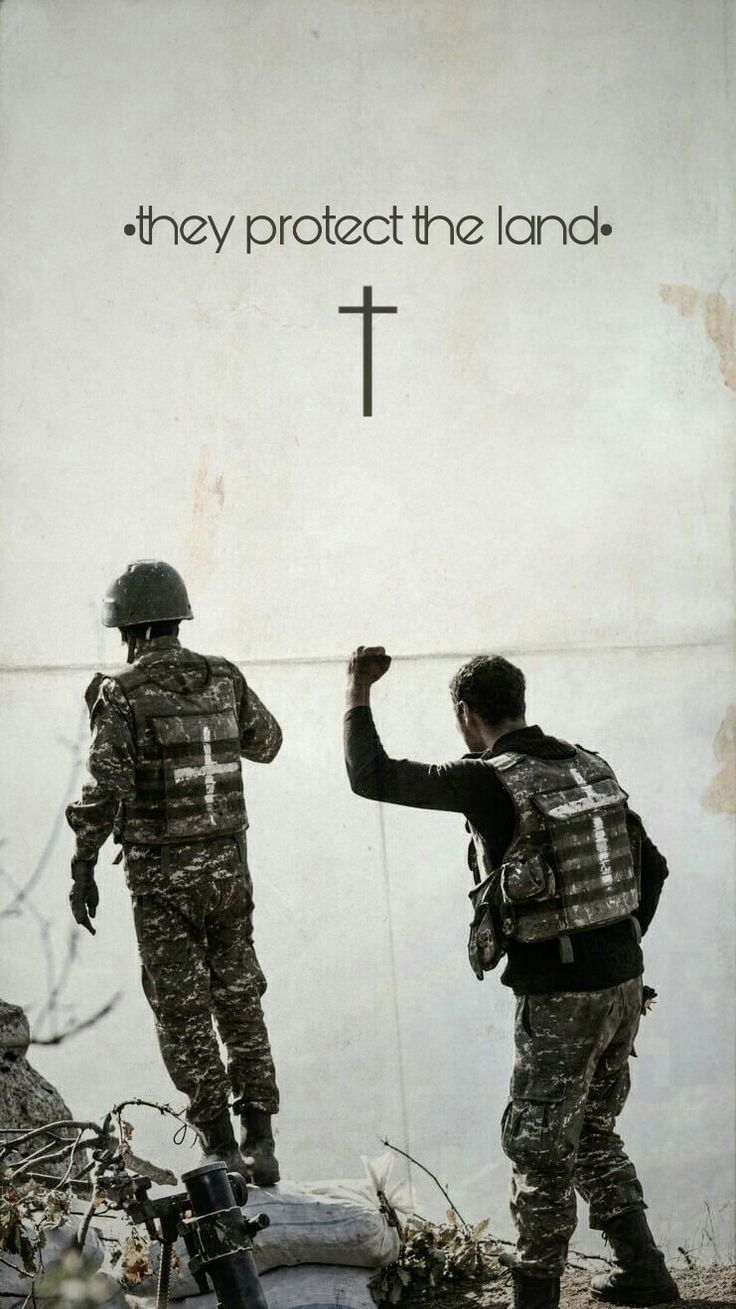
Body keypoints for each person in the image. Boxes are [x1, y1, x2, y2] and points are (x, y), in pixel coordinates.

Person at [343, 646, 679, 1309]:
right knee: (592, 1130)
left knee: (540, 1145)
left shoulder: (487, 780)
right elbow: (655, 866)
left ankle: (535, 1297)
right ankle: (646, 1271)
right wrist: (621, 951)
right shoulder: (588, 766)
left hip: (563, 992)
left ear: (467, 716)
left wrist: (357, 688)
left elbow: (372, 775)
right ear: (520, 702)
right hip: (624, 980)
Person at [66, 560, 282, 1184]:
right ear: (178, 617)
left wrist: (84, 867)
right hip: (229, 872)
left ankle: (220, 1148)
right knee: (240, 997)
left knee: (183, 1012)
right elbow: (267, 742)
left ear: (127, 629)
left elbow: (105, 793)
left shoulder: (122, 692)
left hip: (163, 883)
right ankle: (260, 1139)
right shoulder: (224, 678)